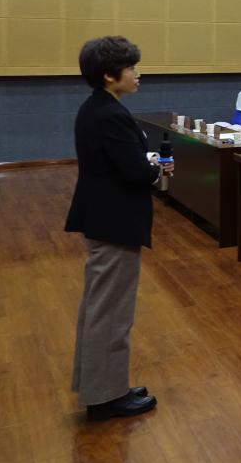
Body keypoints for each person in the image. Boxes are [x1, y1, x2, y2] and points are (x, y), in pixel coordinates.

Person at [66, 36, 170, 420]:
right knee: (111, 313)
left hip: (104, 218)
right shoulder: (110, 114)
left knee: (100, 308)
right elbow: (135, 171)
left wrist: (144, 163)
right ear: (110, 75)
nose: (137, 74)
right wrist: (155, 168)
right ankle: (106, 397)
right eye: (131, 68)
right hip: (114, 222)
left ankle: (102, 386)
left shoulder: (96, 107)